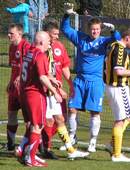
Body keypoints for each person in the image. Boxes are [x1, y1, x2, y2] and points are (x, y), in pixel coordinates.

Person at [60, 3, 121, 153]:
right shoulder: (81, 39)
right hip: (80, 80)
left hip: (96, 82)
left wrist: (114, 31)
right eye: (93, 29)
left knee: (94, 112)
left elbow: (117, 40)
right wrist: (67, 15)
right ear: (89, 29)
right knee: (72, 109)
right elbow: (65, 29)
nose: (95, 31)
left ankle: (92, 141)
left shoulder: (103, 42)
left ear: (101, 31)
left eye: (97, 30)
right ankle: (72, 138)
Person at [41, 20, 89, 160]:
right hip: (45, 90)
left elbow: (65, 66)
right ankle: (39, 148)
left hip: (55, 90)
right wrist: (56, 90)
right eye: (55, 34)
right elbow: (44, 72)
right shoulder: (42, 48)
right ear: (47, 34)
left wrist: (70, 84)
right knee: (47, 122)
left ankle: (69, 150)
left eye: (58, 34)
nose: (57, 36)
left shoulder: (60, 47)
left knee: (60, 119)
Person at [19, 31, 62, 167]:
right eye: (49, 41)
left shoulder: (29, 52)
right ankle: (31, 159)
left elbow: (35, 72)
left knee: (35, 124)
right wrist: (55, 92)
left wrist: (52, 80)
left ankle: (21, 150)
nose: (50, 43)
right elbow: (42, 77)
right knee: (37, 126)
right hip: (35, 93)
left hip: (25, 92)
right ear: (42, 42)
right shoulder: (41, 55)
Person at [104, 27, 130, 162]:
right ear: (128, 38)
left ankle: (112, 144)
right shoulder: (120, 49)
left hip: (112, 87)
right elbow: (118, 71)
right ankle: (117, 154)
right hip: (118, 87)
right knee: (120, 121)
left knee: (128, 117)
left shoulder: (111, 45)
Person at [0, 23, 31, 152]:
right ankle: (10, 144)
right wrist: (11, 81)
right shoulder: (12, 47)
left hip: (24, 89)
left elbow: (31, 67)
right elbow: (14, 66)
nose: (8, 35)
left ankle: (30, 145)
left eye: (11, 33)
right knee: (11, 114)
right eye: (8, 32)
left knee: (29, 118)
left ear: (19, 34)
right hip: (14, 88)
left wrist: (22, 78)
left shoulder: (26, 47)